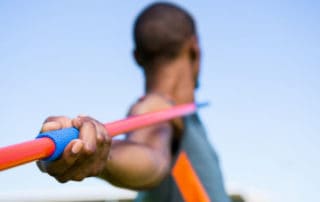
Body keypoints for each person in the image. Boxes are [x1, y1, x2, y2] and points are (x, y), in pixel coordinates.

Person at [37, 2, 230, 202]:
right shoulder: (155, 107)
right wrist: (97, 151)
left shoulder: (186, 116)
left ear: (137, 57)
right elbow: (150, 154)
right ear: (194, 47)